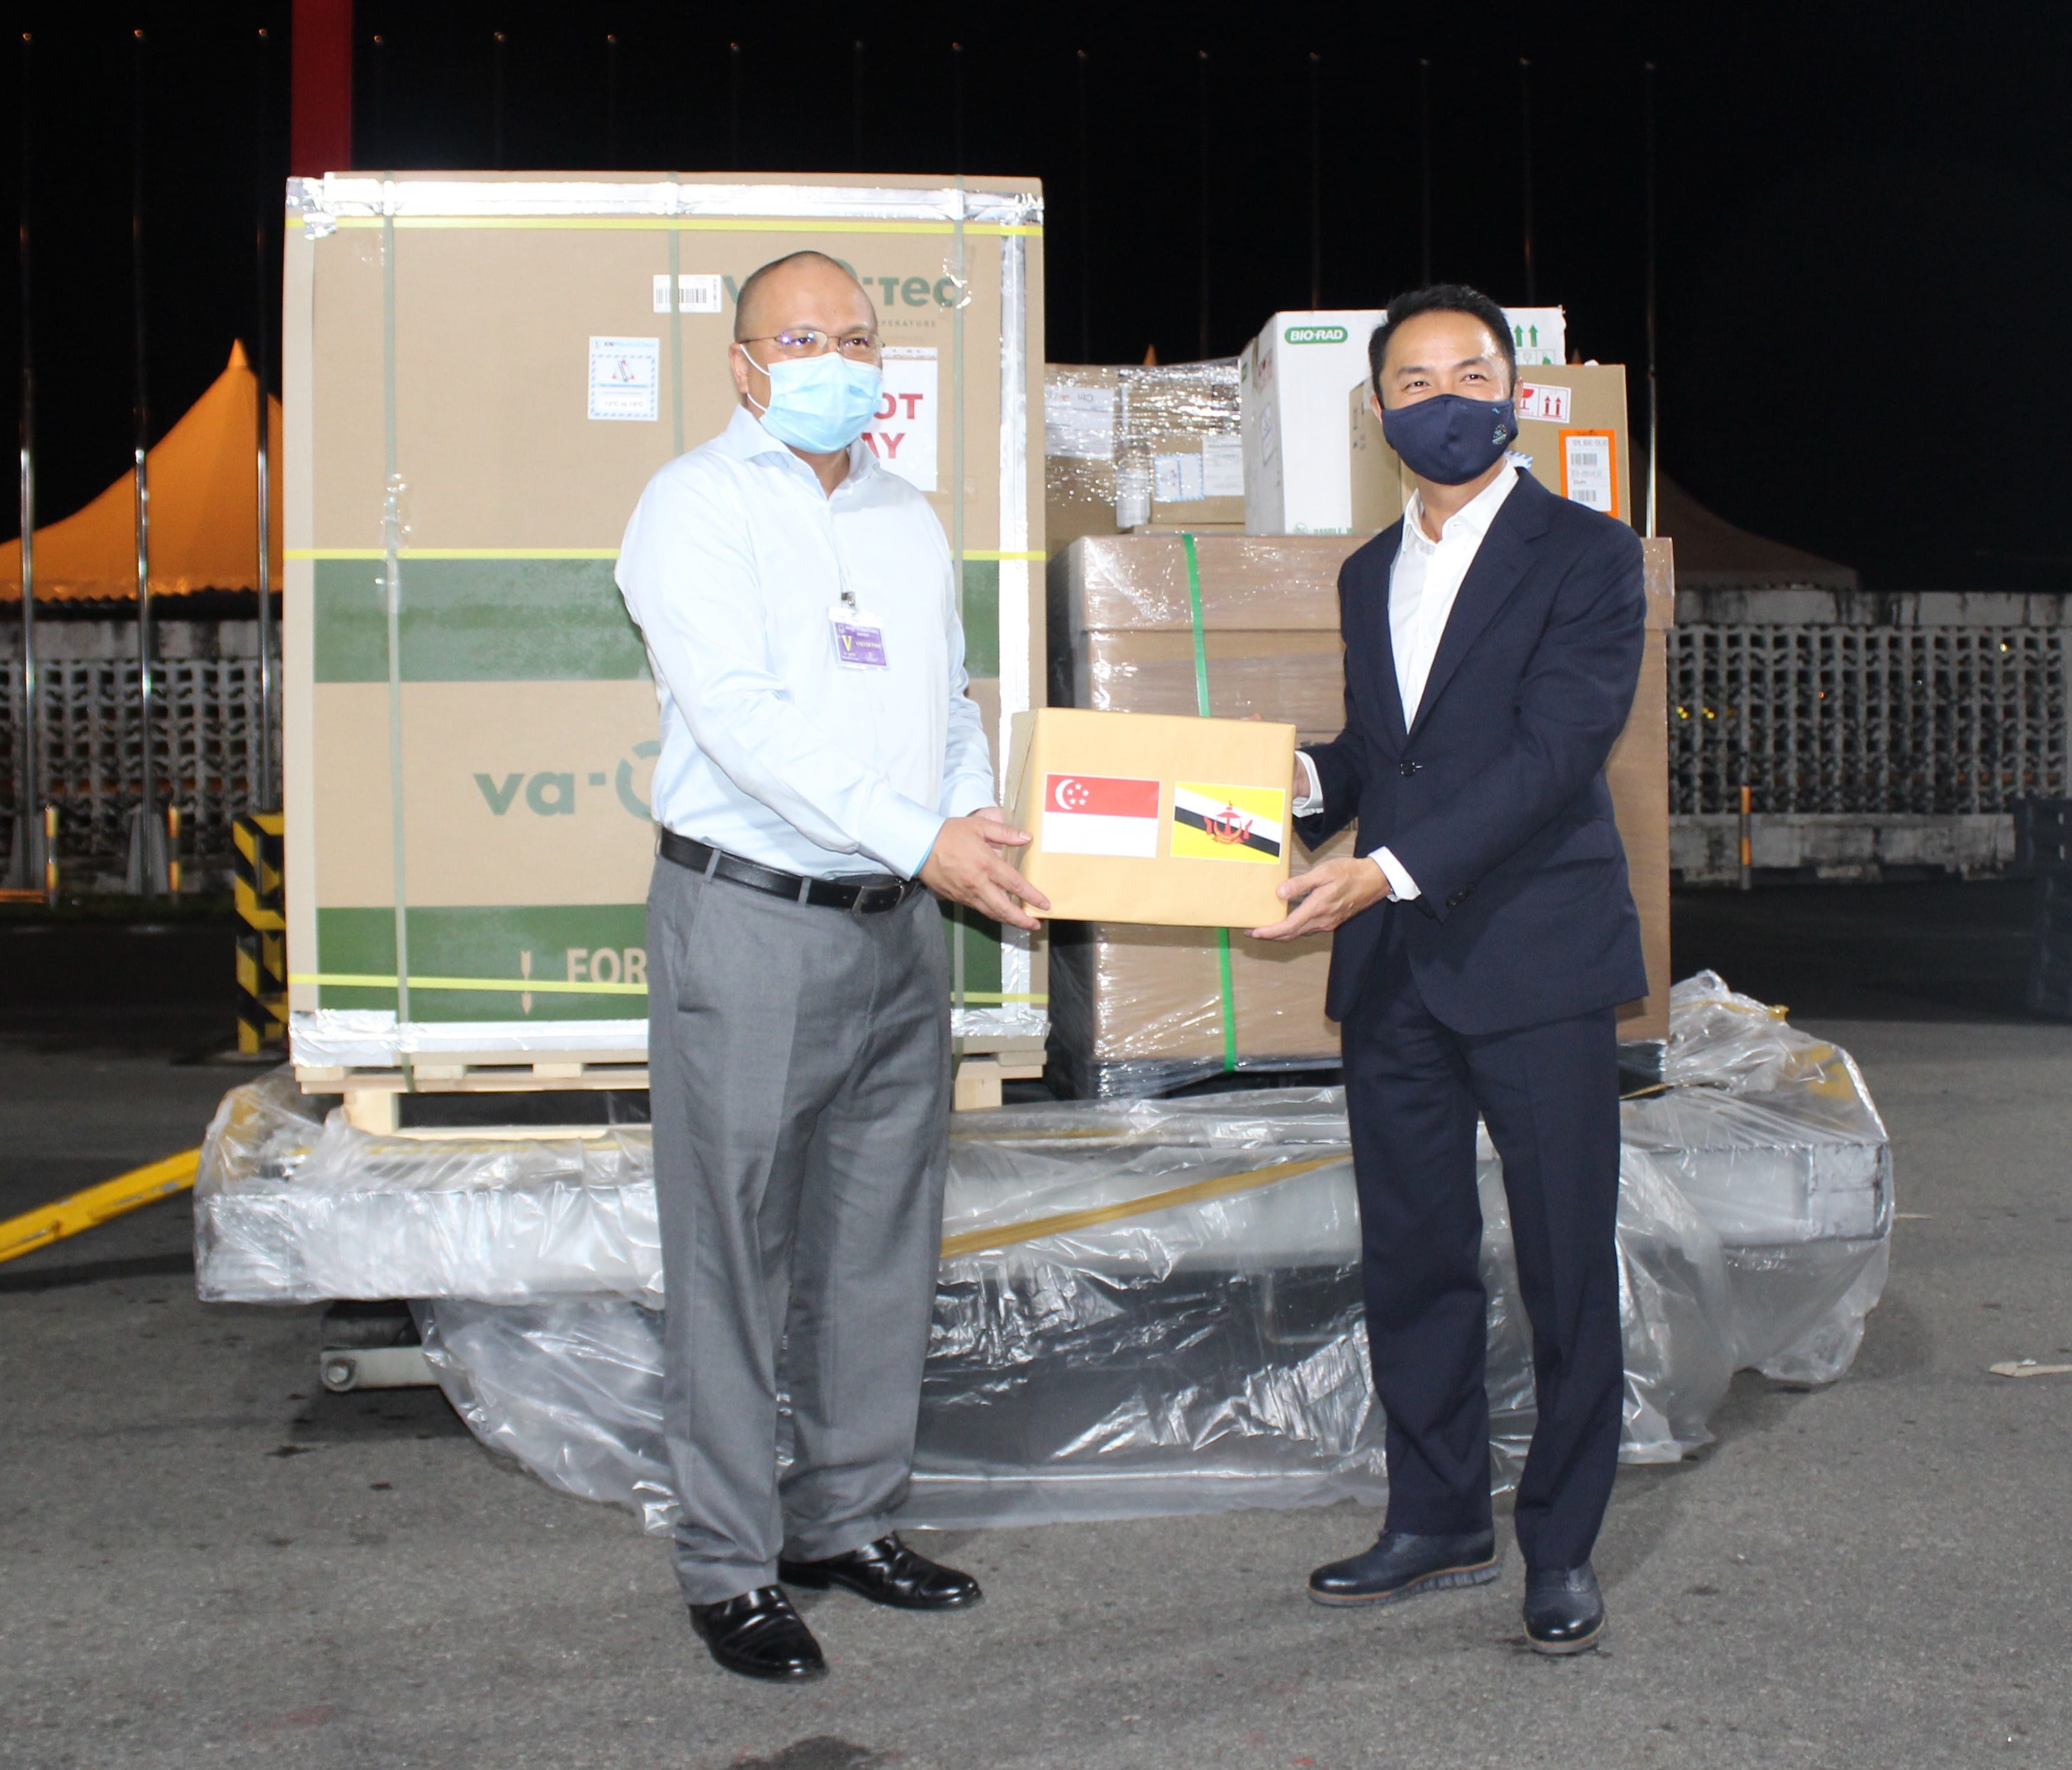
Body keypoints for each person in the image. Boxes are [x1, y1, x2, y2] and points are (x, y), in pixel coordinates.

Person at [615, 249, 1048, 1683]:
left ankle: (845, 1519)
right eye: (800, 338)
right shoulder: (693, 505)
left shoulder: (905, 517)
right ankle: (731, 1565)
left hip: (897, 931)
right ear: (743, 361)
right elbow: (739, 721)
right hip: (750, 923)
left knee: (878, 1243)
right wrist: (921, 838)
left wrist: (971, 825)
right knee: (733, 1251)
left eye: (855, 338)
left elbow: (946, 703)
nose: (833, 360)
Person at [1251, 283, 1646, 1656]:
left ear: (1515, 389)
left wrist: (1389, 868)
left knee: (1559, 1264)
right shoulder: (1371, 570)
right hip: (1395, 970)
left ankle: (1561, 1548)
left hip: (1530, 956)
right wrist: (1271, 791)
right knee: (1413, 1257)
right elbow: (1383, 757)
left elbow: (1552, 755)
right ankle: (1436, 1516)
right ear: (1378, 414)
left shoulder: (1587, 555)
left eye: (1467, 372)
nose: (1444, 400)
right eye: (1413, 383)